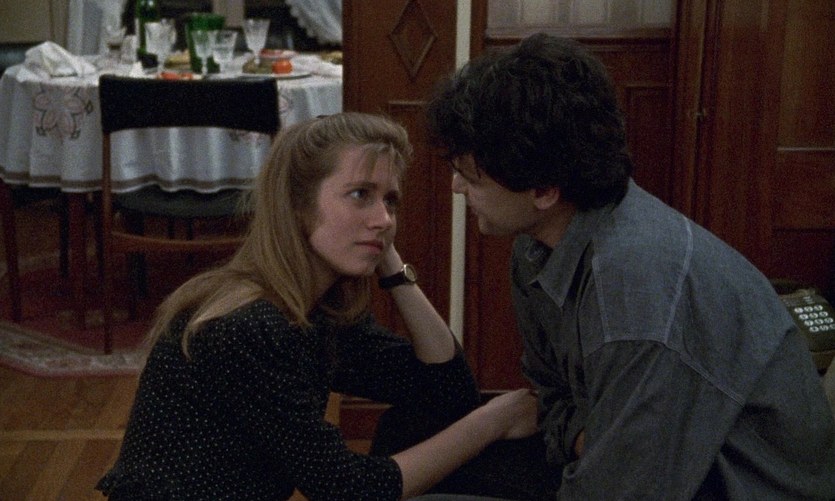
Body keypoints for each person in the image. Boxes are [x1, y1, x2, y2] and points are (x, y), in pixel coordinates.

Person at [422, 33, 835, 499]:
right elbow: (551, 399)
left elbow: (623, 490)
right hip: (637, 472)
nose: (456, 187)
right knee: (425, 454)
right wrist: (589, 440)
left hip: (727, 487)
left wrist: (596, 445)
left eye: (471, 177)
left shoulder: (636, 292)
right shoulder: (536, 248)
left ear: (544, 190)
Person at [96, 112, 539, 500]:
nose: (384, 218)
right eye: (360, 194)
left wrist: (389, 261)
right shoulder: (247, 325)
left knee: (415, 426)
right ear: (297, 205)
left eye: (390, 201)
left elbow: (447, 393)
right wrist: (494, 422)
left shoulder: (319, 311)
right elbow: (349, 490)